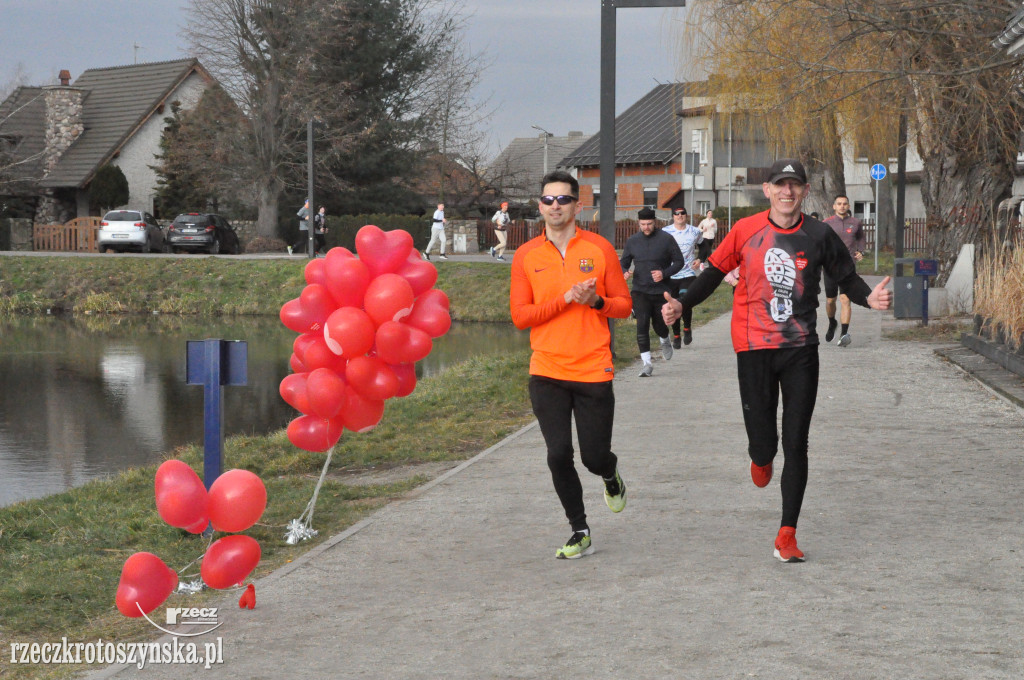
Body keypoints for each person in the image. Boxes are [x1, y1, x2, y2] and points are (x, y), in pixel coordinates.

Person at [661, 158, 892, 563]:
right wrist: (682, 305)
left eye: (795, 185)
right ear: (767, 190)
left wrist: (868, 298)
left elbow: (846, 276)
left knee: (797, 441)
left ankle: (787, 533)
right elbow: (714, 273)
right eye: (780, 185)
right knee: (764, 442)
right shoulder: (746, 230)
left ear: (804, 191)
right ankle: (760, 455)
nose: (788, 192)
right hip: (753, 349)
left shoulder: (819, 234)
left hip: (801, 349)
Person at [510, 170, 632, 560]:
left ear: (579, 206)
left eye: (563, 199)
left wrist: (596, 303)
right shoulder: (526, 255)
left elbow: (625, 307)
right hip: (546, 370)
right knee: (557, 453)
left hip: (593, 367)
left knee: (593, 457)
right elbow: (520, 317)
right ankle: (579, 529)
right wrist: (565, 299)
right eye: (548, 200)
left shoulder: (600, 249)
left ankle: (610, 475)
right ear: (539, 205)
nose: (555, 206)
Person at [620, 206, 684, 376]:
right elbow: (623, 262)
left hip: (661, 291)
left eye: (649, 224)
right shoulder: (633, 241)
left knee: (659, 325)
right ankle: (646, 363)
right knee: (642, 324)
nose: (646, 227)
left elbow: (679, 261)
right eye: (643, 224)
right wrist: (624, 271)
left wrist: (664, 273)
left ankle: (664, 339)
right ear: (638, 223)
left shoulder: (666, 239)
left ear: (654, 222)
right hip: (640, 290)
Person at [822, 195, 866, 346]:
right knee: (830, 301)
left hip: (848, 268)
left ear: (848, 206)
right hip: (830, 267)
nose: (842, 206)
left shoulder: (856, 223)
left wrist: (861, 251)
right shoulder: (826, 223)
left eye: (845, 204)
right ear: (834, 206)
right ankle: (832, 322)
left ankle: (844, 334)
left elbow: (860, 239)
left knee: (845, 299)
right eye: (839, 204)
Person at [661, 207, 703, 347]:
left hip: (688, 273)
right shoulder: (665, 232)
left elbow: (705, 246)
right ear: (673, 216)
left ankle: (687, 328)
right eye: (677, 214)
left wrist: (700, 259)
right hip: (671, 275)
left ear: (686, 215)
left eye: (682, 213)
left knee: (685, 301)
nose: (680, 216)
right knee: (673, 305)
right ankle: (676, 335)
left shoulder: (695, 231)